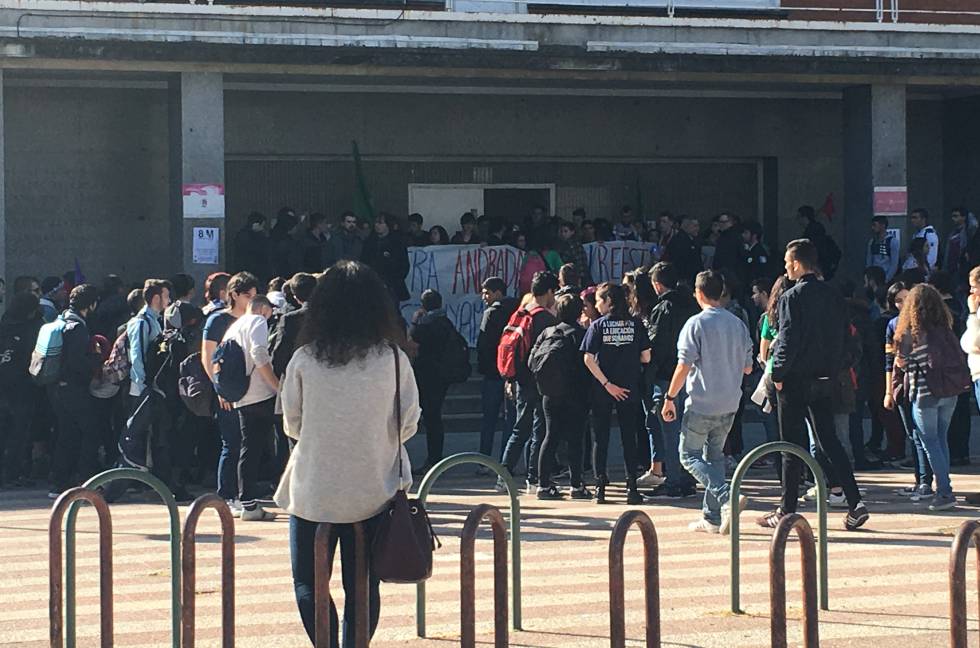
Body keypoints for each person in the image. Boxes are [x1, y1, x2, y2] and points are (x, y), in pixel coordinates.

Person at [275, 260, 419, 648]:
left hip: (313, 491)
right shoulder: (393, 359)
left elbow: (292, 424)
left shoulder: (304, 358)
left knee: (309, 582)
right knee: (363, 586)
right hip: (374, 489)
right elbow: (408, 423)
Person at [759, 239, 869, 531]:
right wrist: (836, 367)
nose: (785, 267)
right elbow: (845, 337)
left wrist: (778, 375)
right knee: (829, 440)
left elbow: (788, 340)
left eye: (787, 263)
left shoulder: (791, 297)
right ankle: (855, 502)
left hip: (796, 380)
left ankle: (787, 508)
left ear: (796, 263)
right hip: (826, 377)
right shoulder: (833, 295)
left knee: (790, 446)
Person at [661, 270, 753, 533]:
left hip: (702, 400)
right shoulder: (738, 323)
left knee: (687, 455)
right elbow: (748, 368)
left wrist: (669, 398)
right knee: (714, 458)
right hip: (730, 401)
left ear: (698, 293)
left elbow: (684, 364)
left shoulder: (695, 324)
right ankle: (711, 516)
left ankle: (727, 496)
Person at [891, 284, 960, 511]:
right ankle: (944, 487)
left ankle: (944, 492)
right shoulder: (945, 328)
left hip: (924, 394)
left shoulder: (910, 333)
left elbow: (901, 363)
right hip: (949, 392)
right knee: (941, 440)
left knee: (929, 442)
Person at [582, 282, 651, 504]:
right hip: (629, 386)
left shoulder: (598, 326)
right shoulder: (636, 324)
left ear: (609, 301)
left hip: (602, 389)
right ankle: (632, 487)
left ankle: (600, 488)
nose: (596, 304)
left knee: (600, 438)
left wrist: (606, 383)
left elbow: (588, 358)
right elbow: (646, 357)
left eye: (599, 300)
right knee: (628, 437)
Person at [639, 262, 699, 498]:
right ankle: (687, 478)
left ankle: (673, 481)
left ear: (657, 284)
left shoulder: (663, 308)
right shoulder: (692, 305)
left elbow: (657, 345)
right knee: (687, 431)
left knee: (669, 430)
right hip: (691, 374)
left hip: (666, 375)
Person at [202, 272, 259, 511]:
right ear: (234, 295)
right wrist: (219, 389)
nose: (252, 301)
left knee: (248, 444)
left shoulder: (255, 320)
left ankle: (243, 494)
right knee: (231, 442)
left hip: (251, 392)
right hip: (227, 390)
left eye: (255, 296)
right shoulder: (217, 320)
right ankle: (226, 494)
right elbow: (208, 356)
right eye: (248, 296)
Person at [498, 271, 558, 493]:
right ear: (550, 291)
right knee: (538, 430)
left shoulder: (521, 313)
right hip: (539, 380)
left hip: (520, 379)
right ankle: (533, 477)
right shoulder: (545, 319)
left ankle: (503, 474)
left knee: (519, 429)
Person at [223, 295, 279, 521]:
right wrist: (276, 386)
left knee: (250, 448)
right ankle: (257, 500)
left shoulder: (234, 327)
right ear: (263, 308)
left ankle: (247, 502)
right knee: (283, 441)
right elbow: (259, 353)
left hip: (241, 395)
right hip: (260, 393)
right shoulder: (257, 322)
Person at [533, 294, 592, 500]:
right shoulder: (582, 334)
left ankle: (543, 484)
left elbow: (533, 360)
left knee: (550, 437)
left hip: (549, 392)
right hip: (576, 393)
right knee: (575, 439)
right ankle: (576, 485)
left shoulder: (548, 332)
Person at [47, 284, 103, 498]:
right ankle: (87, 479)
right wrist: (95, 361)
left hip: (56, 388)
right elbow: (76, 362)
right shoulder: (78, 327)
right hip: (74, 389)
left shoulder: (61, 320)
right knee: (90, 430)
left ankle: (59, 481)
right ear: (91, 304)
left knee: (67, 433)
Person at [0, 292, 43, 487]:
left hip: (3, 386)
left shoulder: (4, 324)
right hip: (23, 388)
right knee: (19, 432)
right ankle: (13, 473)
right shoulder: (33, 329)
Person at [409, 289, 455, 472]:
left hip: (428, 375)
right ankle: (435, 457)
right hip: (441, 376)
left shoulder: (426, 325)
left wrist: (415, 320)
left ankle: (433, 459)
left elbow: (413, 338)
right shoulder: (446, 322)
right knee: (434, 417)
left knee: (431, 417)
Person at [476, 277, 516, 467]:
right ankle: (506, 462)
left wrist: (484, 366)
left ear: (497, 292)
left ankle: (484, 461)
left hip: (493, 373)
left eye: (486, 292)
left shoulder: (491, 313)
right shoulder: (517, 310)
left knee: (489, 419)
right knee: (510, 420)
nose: (484, 297)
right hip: (512, 372)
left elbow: (483, 344)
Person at [363, 212, 410, 303]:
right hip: (373, 286)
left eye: (380, 223)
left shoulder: (397, 243)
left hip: (392, 287)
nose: (377, 225)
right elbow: (364, 262)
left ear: (388, 225)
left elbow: (404, 265)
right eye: (376, 222)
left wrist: (394, 281)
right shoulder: (369, 242)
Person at [798, 205, 841, 280]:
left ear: (804, 217)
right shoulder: (819, 233)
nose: (797, 220)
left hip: (816, 271)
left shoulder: (810, 236)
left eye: (799, 217)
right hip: (825, 270)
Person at [663, 215, 702, 288]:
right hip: (685, 278)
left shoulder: (691, 240)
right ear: (686, 226)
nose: (697, 229)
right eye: (694, 226)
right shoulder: (681, 241)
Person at [233, 212, 270, 281]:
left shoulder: (241, 235)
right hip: (251, 269)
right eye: (261, 225)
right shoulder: (248, 237)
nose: (262, 228)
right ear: (256, 224)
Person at [555, 221, 592, 286]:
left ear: (572, 232)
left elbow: (580, 262)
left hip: (577, 277)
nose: (563, 234)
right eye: (561, 231)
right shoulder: (565, 244)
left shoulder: (573, 245)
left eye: (566, 231)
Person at [867, 216, 900, 282]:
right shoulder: (872, 242)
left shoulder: (892, 241)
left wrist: (886, 279)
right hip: (874, 278)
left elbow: (894, 264)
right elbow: (869, 261)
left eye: (875, 225)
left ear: (883, 225)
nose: (872, 228)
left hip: (886, 277)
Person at [740, 221, 771, 286]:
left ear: (754, 235)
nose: (743, 235)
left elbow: (762, 269)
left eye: (746, 233)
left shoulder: (759, 251)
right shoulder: (747, 250)